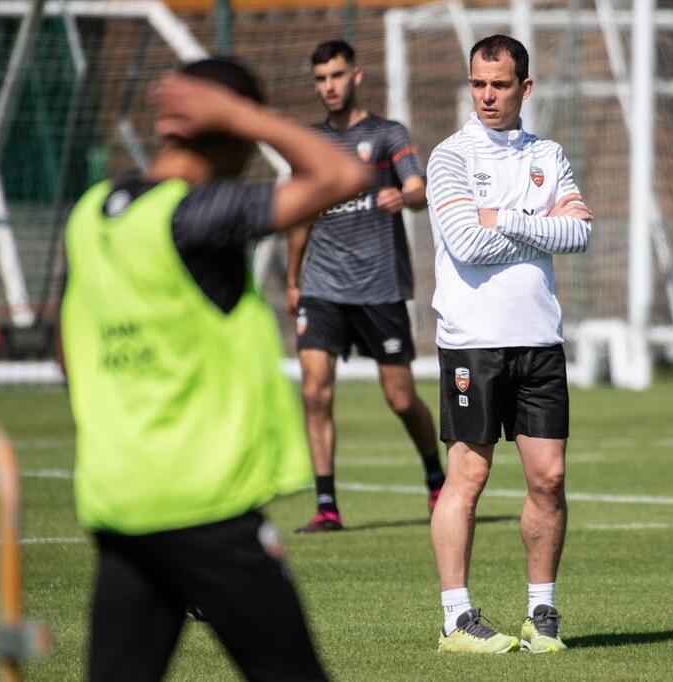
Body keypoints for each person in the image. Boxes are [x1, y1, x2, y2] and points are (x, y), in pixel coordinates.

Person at [60, 58, 369, 680]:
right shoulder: (200, 213)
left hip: (119, 502)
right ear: (230, 131)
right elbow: (343, 173)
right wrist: (246, 115)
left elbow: (70, 357)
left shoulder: (91, 215)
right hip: (205, 505)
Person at [426, 34, 592, 655]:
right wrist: (537, 224)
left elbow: (579, 232)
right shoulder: (449, 156)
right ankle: (455, 619)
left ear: (525, 87)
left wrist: (508, 218)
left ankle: (541, 614)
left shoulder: (548, 152)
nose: (488, 96)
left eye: (499, 84)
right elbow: (466, 244)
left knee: (549, 479)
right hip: (473, 342)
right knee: (467, 476)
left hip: (539, 340)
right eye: (478, 84)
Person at [286, 40, 445, 532]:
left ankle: (436, 477)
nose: (328, 86)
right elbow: (300, 215)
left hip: (379, 286)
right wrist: (293, 279)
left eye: (336, 75)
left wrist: (407, 194)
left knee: (400, 397)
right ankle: (327, 505)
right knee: (314, 391)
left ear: (356, 76)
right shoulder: (309, 145)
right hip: (323, 286)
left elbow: (418, 188)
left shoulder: (386, 134)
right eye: (320, 79)